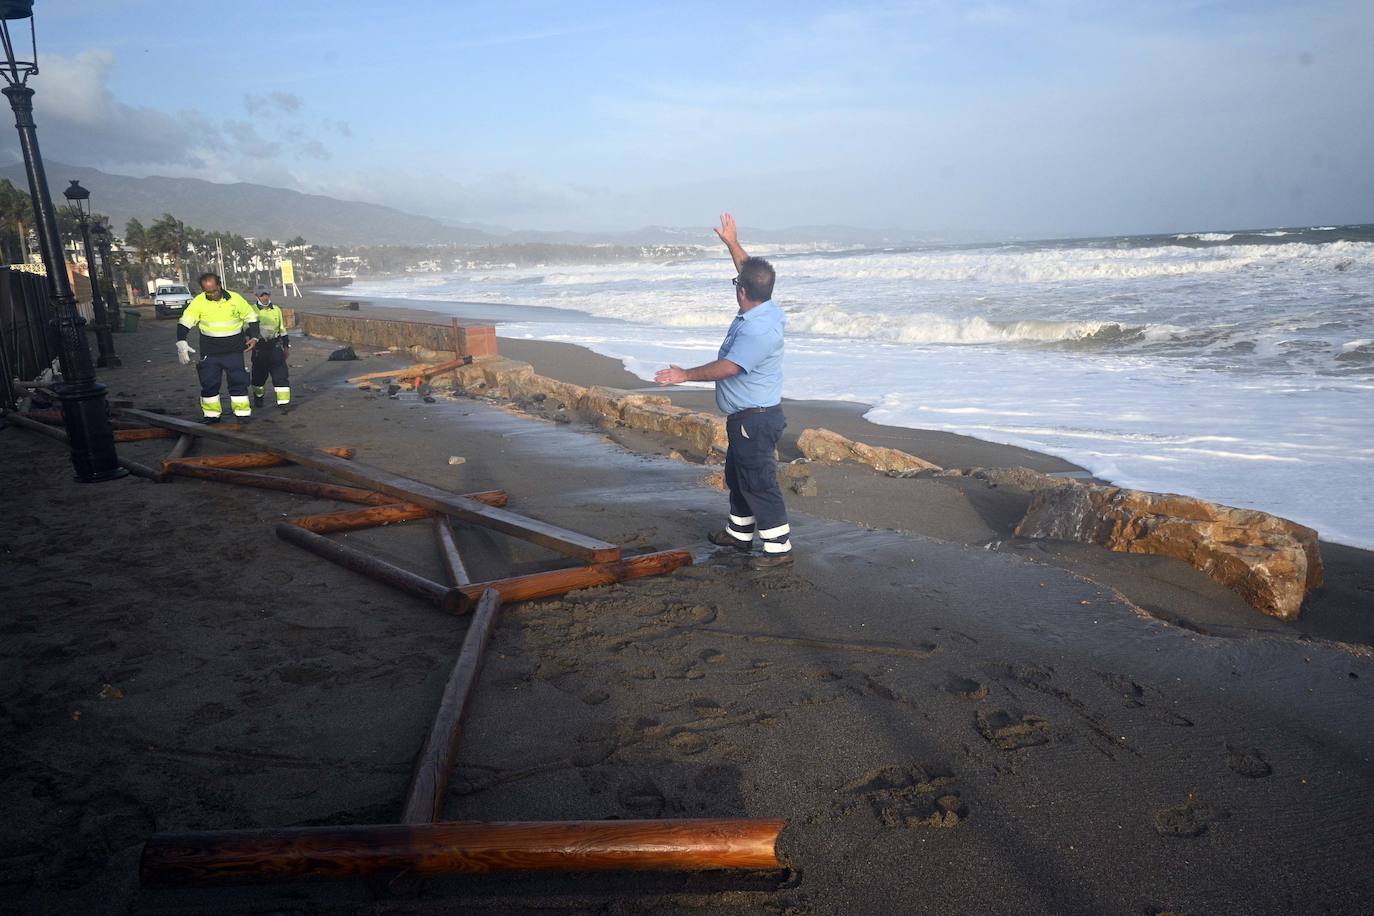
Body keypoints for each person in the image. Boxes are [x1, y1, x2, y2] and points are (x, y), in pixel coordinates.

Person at [654, 213, 792, 569]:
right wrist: (732, 243)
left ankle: (778, 549)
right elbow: (749, 270)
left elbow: (730, 367)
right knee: (737, 477)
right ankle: (739, 534)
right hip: (747, 416)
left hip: (756, 419)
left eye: (737, 284)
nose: (737, 286)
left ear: (742, 291)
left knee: (759, 481)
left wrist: (684, 374)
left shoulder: (757, 332)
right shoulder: (767, 309)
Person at [175, 273, 260, 423]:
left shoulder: (235, 299)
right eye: (208, 292)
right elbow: (185, 322)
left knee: (238, 381)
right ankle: (212, 415)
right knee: (209, 383)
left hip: (234, 350)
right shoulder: (199, 302)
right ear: (203, 290)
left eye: (214, 290)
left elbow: (251, 317)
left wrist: (255, 337)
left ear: (220, 285)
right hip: (210, 351)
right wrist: (181, 341)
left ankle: (242, 413)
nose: (212, 294)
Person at [249, 286, 291, 409]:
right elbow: (246, 328)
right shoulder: (251, 310)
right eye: (262, 295)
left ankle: (284, 404)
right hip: (259, 348)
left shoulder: (276, 309)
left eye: (266, 294)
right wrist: (256, 335)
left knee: (281, 376)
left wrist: (286, 346)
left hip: (275, 347)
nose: (265, 297)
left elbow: (282, 328)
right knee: (258, 378)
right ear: (256, 296)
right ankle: (258, 397)